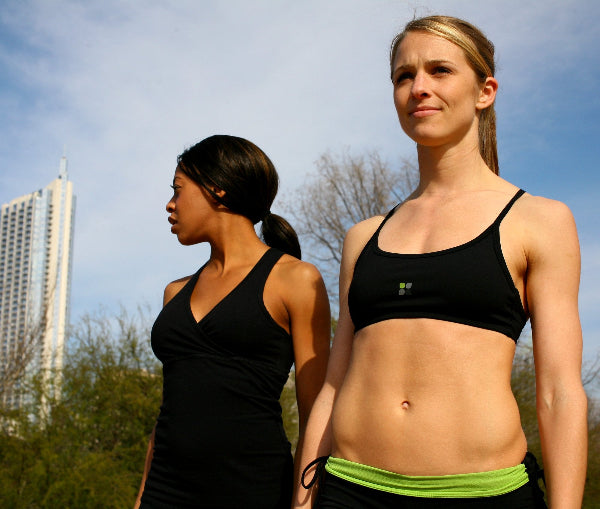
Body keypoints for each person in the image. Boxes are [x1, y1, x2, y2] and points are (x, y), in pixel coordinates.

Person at [294, 15, 587, 509]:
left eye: (439, 70)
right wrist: (303, 502)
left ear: (484, 91)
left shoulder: (539, 220)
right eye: (404, 76)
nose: (419, 88)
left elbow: (559, 392)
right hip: (349, 490)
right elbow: (333, 384)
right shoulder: (362, 237)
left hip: (481, 494)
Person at [134, 134, 331, 508]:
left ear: (217, 190)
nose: (170, 205)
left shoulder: (296, 280)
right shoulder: (174, 293)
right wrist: (142, 496)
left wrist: (304, 503)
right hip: (164, 492)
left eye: (178, 189)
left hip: (253, 489)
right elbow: (169, 412)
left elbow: (317, 411)